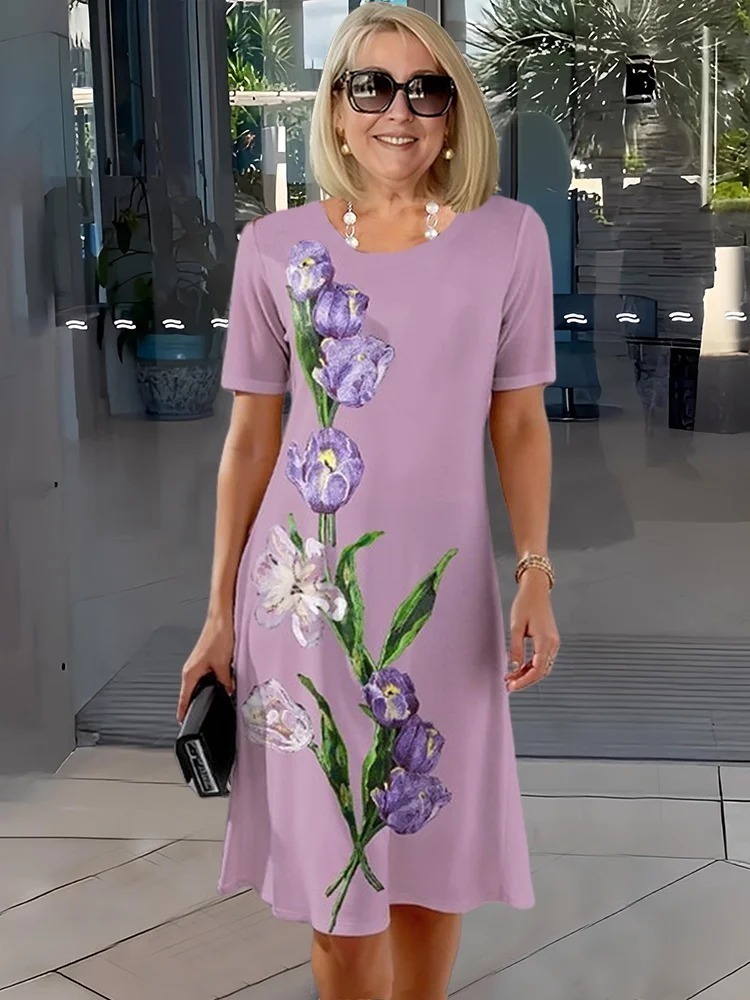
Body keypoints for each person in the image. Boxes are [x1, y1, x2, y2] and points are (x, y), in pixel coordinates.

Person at [177, 4, 560, 997]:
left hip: (447, 601)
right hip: (307, 603)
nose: (400, 110)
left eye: (427, 89)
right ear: (338, 113)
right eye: (373, 87)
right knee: (339, 889)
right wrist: (217, 613)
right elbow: (250, 439)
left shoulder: (509, 237)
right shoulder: (275, 248)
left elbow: (519, 421)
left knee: (433, 866)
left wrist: (534, 568)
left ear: (454, 112)